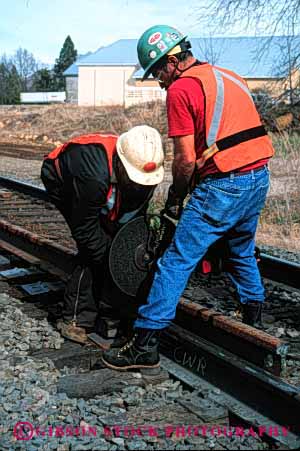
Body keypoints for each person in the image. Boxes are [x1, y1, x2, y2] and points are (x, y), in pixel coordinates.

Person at [101, 25, 275, 370]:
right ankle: (253, 314)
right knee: (239, 247)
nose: (160, 81)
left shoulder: (181, 89)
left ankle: (145, 342)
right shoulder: (229, 75)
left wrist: (176, 196)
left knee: (176, 260)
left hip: (224, 183)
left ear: (171, 62)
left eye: (158, 72)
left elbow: (184, 159)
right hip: (259, 177)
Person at [41, 125, 164, 344]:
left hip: (104, 181)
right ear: (121, 165)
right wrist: (108, 259)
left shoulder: (144, 171)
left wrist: (124, 256)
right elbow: (85, 228)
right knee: (92, 251)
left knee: (118, 245)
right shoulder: (93, 176)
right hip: (61, 179)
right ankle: (75, 319)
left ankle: (113, 308)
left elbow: (131, 223)